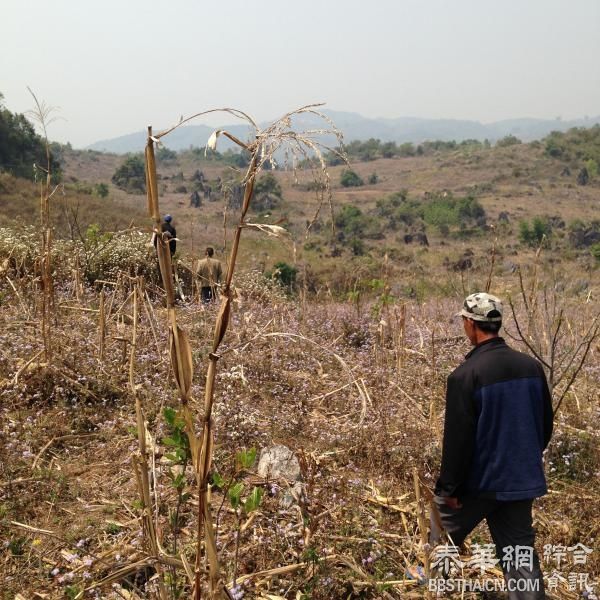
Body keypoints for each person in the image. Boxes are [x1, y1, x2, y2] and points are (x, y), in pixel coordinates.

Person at [432, 292, 553, 599]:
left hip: (480, 484)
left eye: (464, 321)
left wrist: (449, 490)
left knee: (437, 532)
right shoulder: (531, 367)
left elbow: (458, 441)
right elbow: (545, 425)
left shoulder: (465, 376)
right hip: (519, 482)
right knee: (520, 558)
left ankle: (429, 584)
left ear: (470, 324)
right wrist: (523, 463)